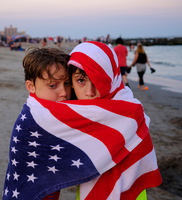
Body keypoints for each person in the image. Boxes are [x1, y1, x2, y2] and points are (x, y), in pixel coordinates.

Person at [68, 41, 162, 200]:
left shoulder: (132, 114)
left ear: (111, 78)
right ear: (70, 82)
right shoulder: (67, 116)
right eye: (81, 80)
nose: (90, 92)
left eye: (98, 80)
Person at [2, 47, 72, 200]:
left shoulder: (59, 111)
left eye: (67, 83)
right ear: (31, 86)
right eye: (52, 85)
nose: (64, 92)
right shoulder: (33, 120)